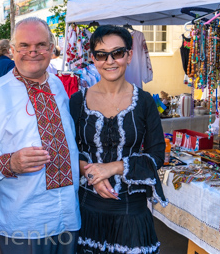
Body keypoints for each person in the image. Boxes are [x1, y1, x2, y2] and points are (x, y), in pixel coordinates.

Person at [0, 17, 81, 254]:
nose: (33, 51)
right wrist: (8, 163)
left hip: (66, 215)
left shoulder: (59, 86)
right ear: (12, 50)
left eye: (41, 44)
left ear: (52, 48)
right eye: (24, 45)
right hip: (22, 221)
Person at [69, 25, 168, 254]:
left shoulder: (144, 102)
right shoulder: (76, 101)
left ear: (129, 55)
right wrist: (90, 171)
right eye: (102, 54)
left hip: (131, 212)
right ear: (93, 58)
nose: (110, 61)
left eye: (118, 53)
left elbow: (157, 154)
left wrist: (112, 168)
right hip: (87, 210)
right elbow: (67, 150)